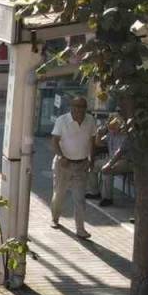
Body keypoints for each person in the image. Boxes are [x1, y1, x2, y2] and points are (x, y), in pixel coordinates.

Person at [50, 95, 96, 239]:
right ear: (71, 107)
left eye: (82, 107)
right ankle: (55, 218)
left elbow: (92, 140)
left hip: (81, 164)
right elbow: (54, 141)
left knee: (80, 199)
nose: (79, 110)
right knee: (59, 194)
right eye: (76, 106)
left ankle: (80, 229)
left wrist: (91, 159)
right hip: (64, 164)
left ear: (86, 108)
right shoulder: (62, 120)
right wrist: (61, 156)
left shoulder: (90, 120)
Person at [97, 116, 132, 207]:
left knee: (107, 171)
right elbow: (99, 143)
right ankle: (93, 192)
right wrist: (99, 134)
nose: (111, 129)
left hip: (124, 161)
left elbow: (119, 153)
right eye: (110, 127)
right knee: (94, 165)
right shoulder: (110, 134)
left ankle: (107, 198)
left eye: (113, 127)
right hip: (112, 159)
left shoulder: (126, 137)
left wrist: (108, 165)